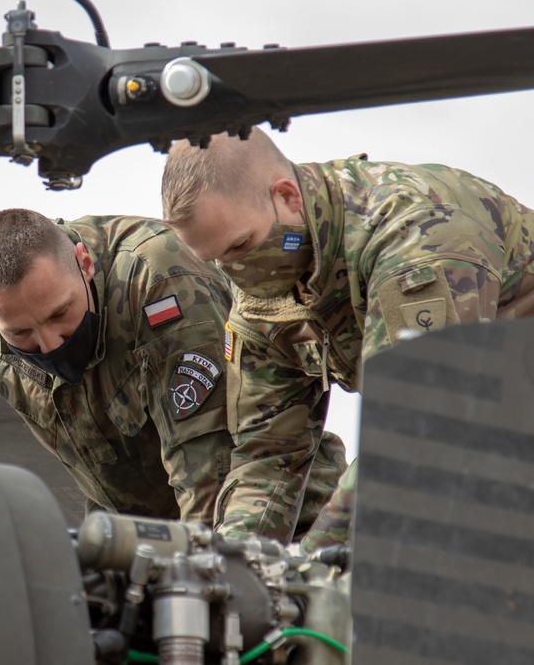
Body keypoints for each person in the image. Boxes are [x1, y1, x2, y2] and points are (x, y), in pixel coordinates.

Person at [160, 126, 534, 545]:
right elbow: (269, 454)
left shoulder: (415, 235)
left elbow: (416, 427)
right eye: (216, 261)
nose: (235, 271)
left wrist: (316, 556)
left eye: (240, 246)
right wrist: (236, 563)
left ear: (287, 196)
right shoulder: (261, 296)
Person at [0, 208, 339, 529]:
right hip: (137, 543)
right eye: (21, 334)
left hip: (278, 528)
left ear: (84, 263)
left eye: (58, 315)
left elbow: (209, 475)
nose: (50, 343)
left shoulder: (163, 287)